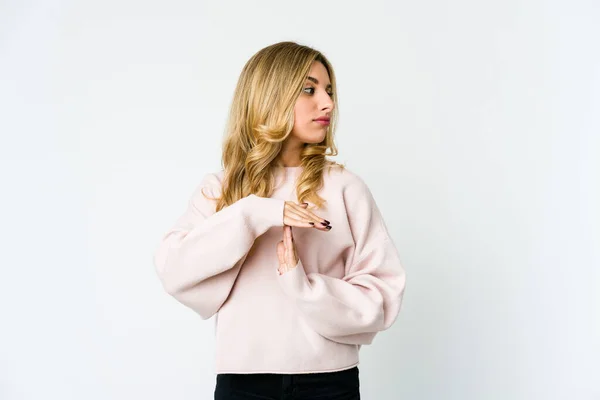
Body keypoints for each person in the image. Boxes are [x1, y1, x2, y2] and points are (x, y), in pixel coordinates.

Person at [153, 41, 407, 400]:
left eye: (329, 91)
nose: (327, 104)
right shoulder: (222, 191)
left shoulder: (345, 188)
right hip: (244, 385)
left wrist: (301, 286)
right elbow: (175, 271)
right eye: (309, 89)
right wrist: (256, 213)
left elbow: (382, 296)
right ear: (271, 95)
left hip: (329, 383)